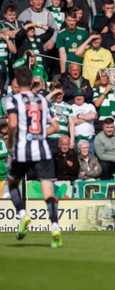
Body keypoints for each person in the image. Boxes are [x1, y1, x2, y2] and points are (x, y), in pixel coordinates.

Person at [4, 66, 62, 248]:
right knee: (48, 192)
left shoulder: (12, 100)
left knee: (12, 182)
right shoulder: (42, 100)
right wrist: (38, 134)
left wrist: (11, 141)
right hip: (42, 150)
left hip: (22, 150)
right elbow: (56, 127)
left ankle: (23, 215)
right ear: (31, 82)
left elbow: (12, 124)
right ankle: (54, 226)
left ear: (16, 82)